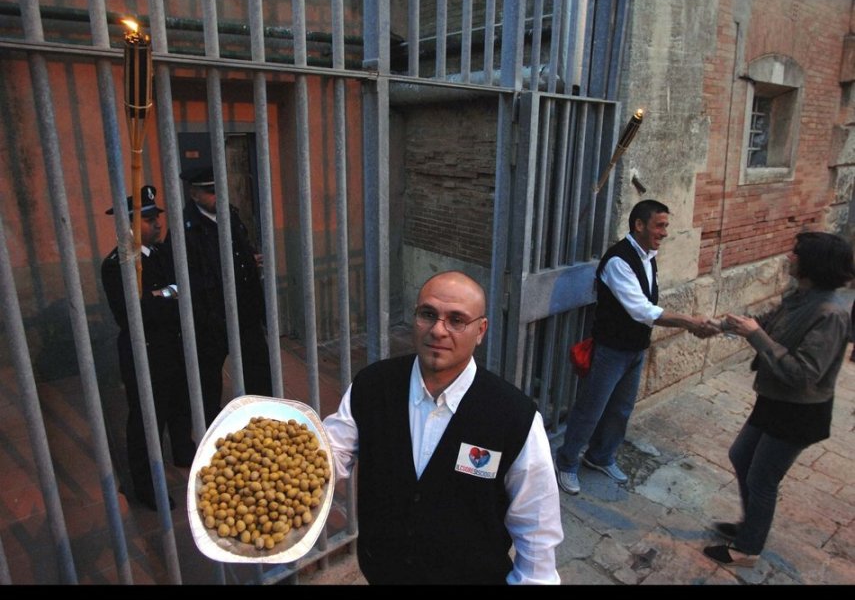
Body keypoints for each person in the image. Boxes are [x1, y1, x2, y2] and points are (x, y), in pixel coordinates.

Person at [323, 271, 563, 585]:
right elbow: (329, 456)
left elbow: (537, 528)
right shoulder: (372, 386)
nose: (438, 330)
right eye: (428, 314)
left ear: (481, 330)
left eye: (456, 320)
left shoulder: (513, 416)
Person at [703, 231, 855, 567]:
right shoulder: (801, 296)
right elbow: (764, 323)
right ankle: (751, 525)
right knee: (741, 456)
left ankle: (747, 549)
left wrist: (756, 337)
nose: (790, 257)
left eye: (796, 253)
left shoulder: (830, 313)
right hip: (775, 400)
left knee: (762, 477)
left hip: (800, 411)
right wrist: (721, 325)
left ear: (813, 263)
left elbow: (803, 374)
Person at [555, 199, 718, 496]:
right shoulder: (619, 260)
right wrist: (690, 321)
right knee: (591, 409)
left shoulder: (648, 256)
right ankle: (566, 462)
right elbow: (642, 310)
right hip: (610, 351)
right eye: (659, 225)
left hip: (634, 350)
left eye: (666, 225)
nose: (665, 232)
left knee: (620, 409)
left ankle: (600, 456)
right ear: (639, 225)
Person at [101, 185, 195, 511]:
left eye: (157, 217)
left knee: (179, 404)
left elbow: (182, 290)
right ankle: (145, 486)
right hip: (145, 351)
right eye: (148, 219)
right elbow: (135, 312)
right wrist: (168, 294)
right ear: (128, 223)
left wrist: (161, 294)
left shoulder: (160, 253)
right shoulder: (118, 264)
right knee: (147, 420)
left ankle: (184, 451)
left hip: (173, 345)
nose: (157, 224)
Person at [174, 166, 272, 426]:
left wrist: (248, 260)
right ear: (194, 195)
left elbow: (238, 248)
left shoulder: (228, 214)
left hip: (245, 309)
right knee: (208, 379)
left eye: (219, 189)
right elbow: (190, 276)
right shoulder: (185, 229)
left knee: (259, 370)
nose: (217, 195)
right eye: (210, 191)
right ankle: (214, 429)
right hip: (213, 317)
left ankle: (265, 420)